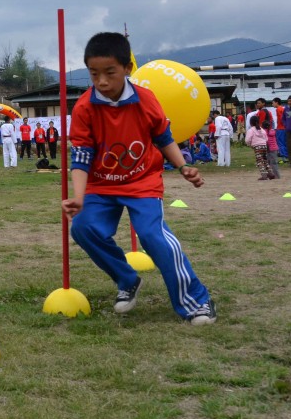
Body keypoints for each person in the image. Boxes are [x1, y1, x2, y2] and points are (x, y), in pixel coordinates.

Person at [62, 32, 216, 325]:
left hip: (141, 181)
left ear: (127, 69)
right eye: (94, 74)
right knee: (83, 227)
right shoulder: (84, 107)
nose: (102, 82)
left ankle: (196, 302)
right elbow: (81, 155)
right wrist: (79, 197)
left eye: (110, 73)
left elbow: (163, 137)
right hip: (100, 184)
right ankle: (126, 279)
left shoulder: (145, 100)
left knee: (153, 236)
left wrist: (184, 167)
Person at [245, 115, 272, 180]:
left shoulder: (251, 130)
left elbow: (247, 140)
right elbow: (266, 138)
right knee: (265, 160)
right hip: (264, 146)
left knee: (259, 161)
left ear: (250, 123)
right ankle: (270, 173)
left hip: (257, 147)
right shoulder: (262, 129)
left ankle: (264, 175)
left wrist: (250, 144)